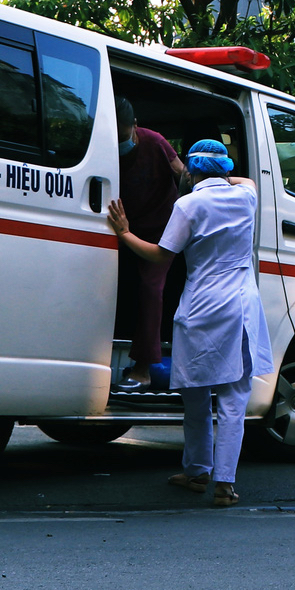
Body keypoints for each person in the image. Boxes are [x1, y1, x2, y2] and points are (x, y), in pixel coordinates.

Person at [108, 138, 272, 508]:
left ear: (193, 171)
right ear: (224, 169)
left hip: (200, 309)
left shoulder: (188, 204)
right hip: (240, 307)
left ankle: (197, 471)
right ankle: (224, 485)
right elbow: (249, 182)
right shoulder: (245, 198)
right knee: (234, 399)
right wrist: (221, 174)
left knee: (197, 396)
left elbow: (160, 253)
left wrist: (124, 232)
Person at [114, 98, 188, 389]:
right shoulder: (103, 146)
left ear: (135, 126)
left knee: (150, 289)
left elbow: (184, 174)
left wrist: (185, 216)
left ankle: (143, 368)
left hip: (161, 230)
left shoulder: (155, 142)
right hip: (121, 225)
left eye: (124, 137)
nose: (121, 143)